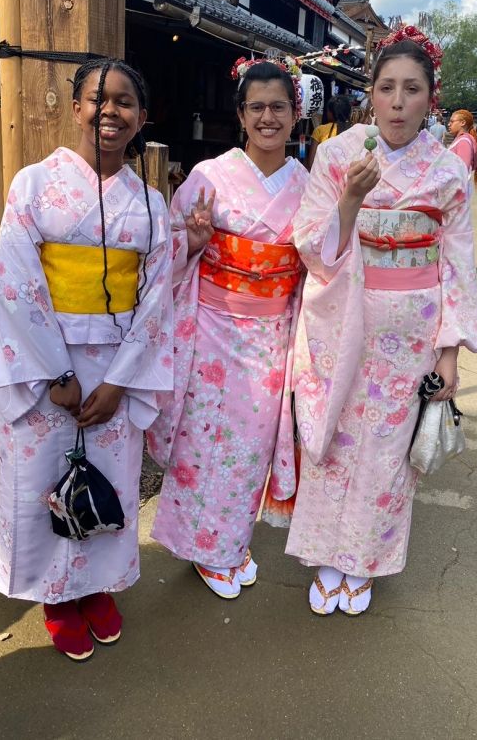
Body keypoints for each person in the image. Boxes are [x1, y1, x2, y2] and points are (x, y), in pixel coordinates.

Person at [286, 24, 477, 615]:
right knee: (336, 435)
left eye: (412, 89)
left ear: (431, 97)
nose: (398, 102)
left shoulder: (446, 171)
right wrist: (350, 199)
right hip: (345, 315)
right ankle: (326, 553)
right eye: (388, 88)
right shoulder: (339, 154)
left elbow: (457, 261)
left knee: (389, 445)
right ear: (370, 92)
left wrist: (449, 351)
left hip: (413, 325)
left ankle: (365, 561)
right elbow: (309, 247)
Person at [0, 59, 173, 662]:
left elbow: (156, 297)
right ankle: (55, 597)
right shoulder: (34, 185)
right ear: (75, 109)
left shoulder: (149, 204)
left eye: (123, 102)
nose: (109, 112)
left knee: (109, 481)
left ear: (142, 118)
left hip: (118, 365)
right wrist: (56, 374)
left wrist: (119, 382)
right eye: (97, 99)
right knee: (42, 479)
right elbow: (15, 284)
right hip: (45, 365)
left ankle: (96, 587)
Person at [148, 59, 309, 599]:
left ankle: (227, 544)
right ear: (241, 114)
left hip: (273, 333)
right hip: (212, 326)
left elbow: (320, 265)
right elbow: (166, 249)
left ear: (295, 114)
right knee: (202, 440)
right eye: (257, 107)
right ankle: (204, 549)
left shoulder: (310, 187)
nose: (268, 117)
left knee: (250, 445)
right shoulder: (208, 176)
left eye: (278, 107)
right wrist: (192, 243)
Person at [307, 95, 352, 169]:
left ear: (330, 112)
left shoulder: (320, 130)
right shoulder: (353, 131)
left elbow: (311, 162)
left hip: (323, 177)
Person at [448, 109, 477, 190]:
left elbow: (463, 169)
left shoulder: (464, 142)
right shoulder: (461, 140)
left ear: (463, 123)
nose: (449, 124)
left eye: (452, 122)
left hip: (455, 189)